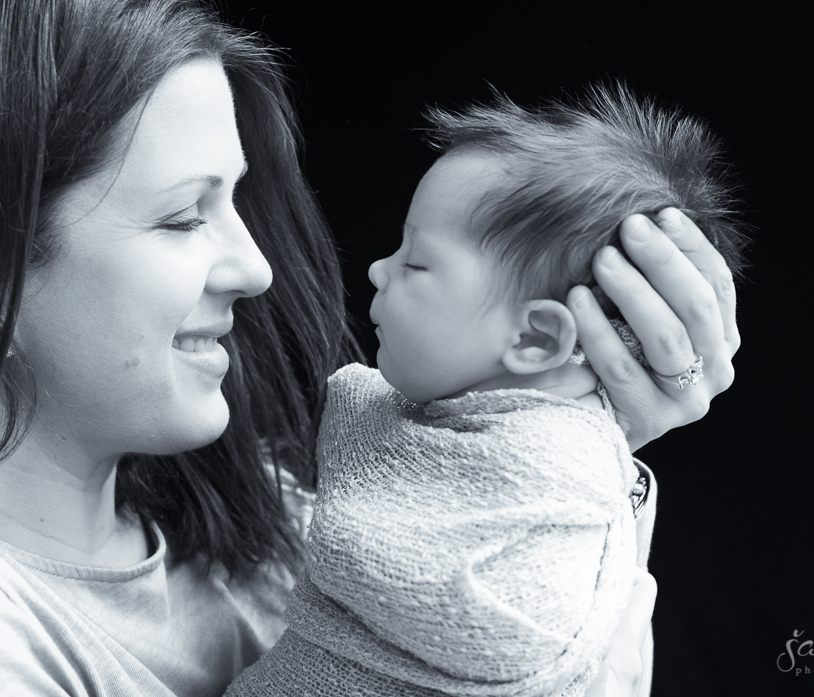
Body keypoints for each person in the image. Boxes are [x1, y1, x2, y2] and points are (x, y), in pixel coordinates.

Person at [0, 0, 742, 697]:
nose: (257, 268)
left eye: (236, 201)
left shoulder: (291, 531)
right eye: (184, 216)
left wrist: (580, 445)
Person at [226, 85, 746, 696]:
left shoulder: (561, 476)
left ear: (533, 337)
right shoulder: (517, 456)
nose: (377, 269)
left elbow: (493, 625)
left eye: (415, 263)